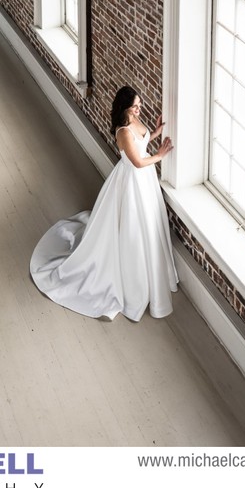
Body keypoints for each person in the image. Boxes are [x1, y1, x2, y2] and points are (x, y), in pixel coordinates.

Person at [30, 86, 178, 321]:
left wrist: (156, 132)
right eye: (135, 106)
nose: (140, 109)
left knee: (149, 225)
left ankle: (153, 275)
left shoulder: (135, 120)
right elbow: (138, 161)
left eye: (139, 104)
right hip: (132, 183)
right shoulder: (122, 132)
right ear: (124, 107)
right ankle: (133, 283)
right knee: (132, 229)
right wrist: (160, 155)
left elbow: (143, 140)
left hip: (145, 183)